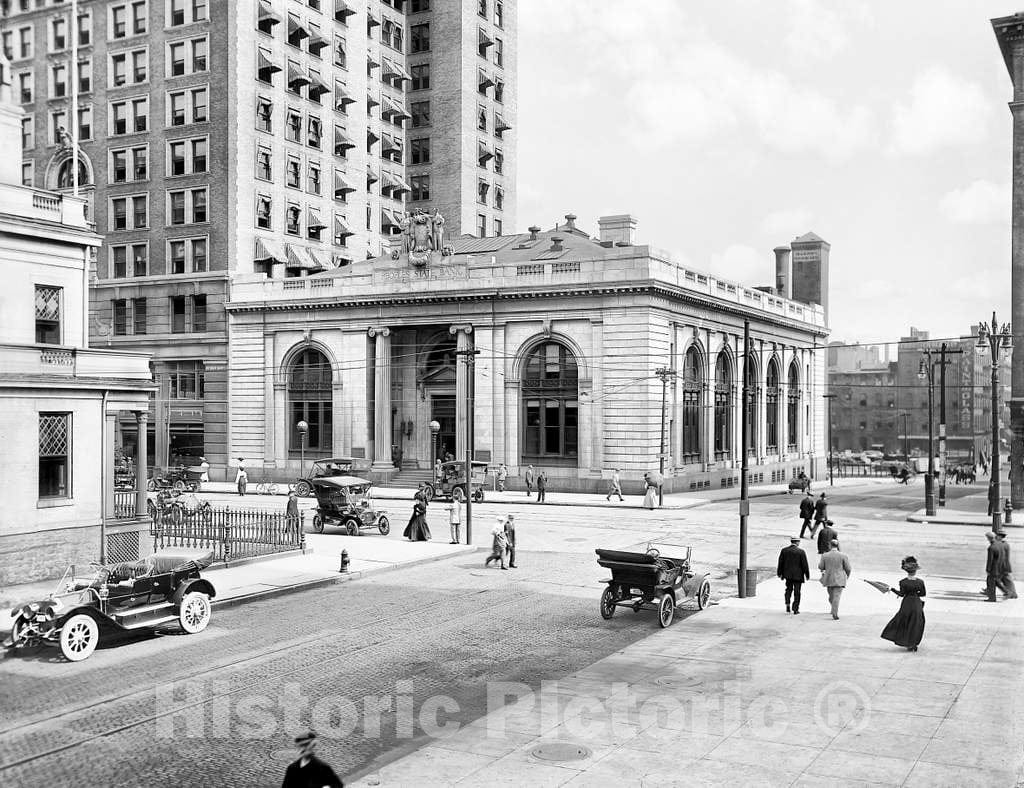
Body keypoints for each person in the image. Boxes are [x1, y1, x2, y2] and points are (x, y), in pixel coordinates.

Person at [881, 556, 926, 651]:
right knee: (916, 623)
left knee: (904, 621)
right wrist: (915, 593)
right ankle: (913, 643)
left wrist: (892, 589)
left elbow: (901, 594)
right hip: (916, 603)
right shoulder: (920, 582)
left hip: (906, 603)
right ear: (916, 571)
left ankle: (907, 642)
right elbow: (923, 594)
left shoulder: (903, 582)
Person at [819, 539, 852, 620]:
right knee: (836, 596)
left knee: (831, 596)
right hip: (840, 578)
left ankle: (834, 611)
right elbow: (848, 568)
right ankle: (834, 611)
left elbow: (820, 567)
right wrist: (847, 576)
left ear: (830, 545)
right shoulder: (843, 555)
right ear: (837, 546)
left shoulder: (825, 555)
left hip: (828, 578)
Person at [777, 536, 810, 614]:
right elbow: (804, 564)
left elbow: (780, 563)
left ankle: (787, 603)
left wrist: (779, 573)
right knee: (797, 592)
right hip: (798, 576)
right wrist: (807, 574)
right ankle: (795, 609)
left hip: (787, 575)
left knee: (788, 589)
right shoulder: (801, 552)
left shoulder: (784, 550)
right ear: (797, 542)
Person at [996, 532, 1018, 599]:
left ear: (1000, 536)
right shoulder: (1004, 544)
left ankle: (1011, 593)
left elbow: (1001, 556)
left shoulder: (1002, 544)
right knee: (1006, 579)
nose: (996, 537)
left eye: (997, 536)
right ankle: (1013, 593)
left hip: (1003, 565)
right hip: (1004, 565)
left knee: (996, 579)